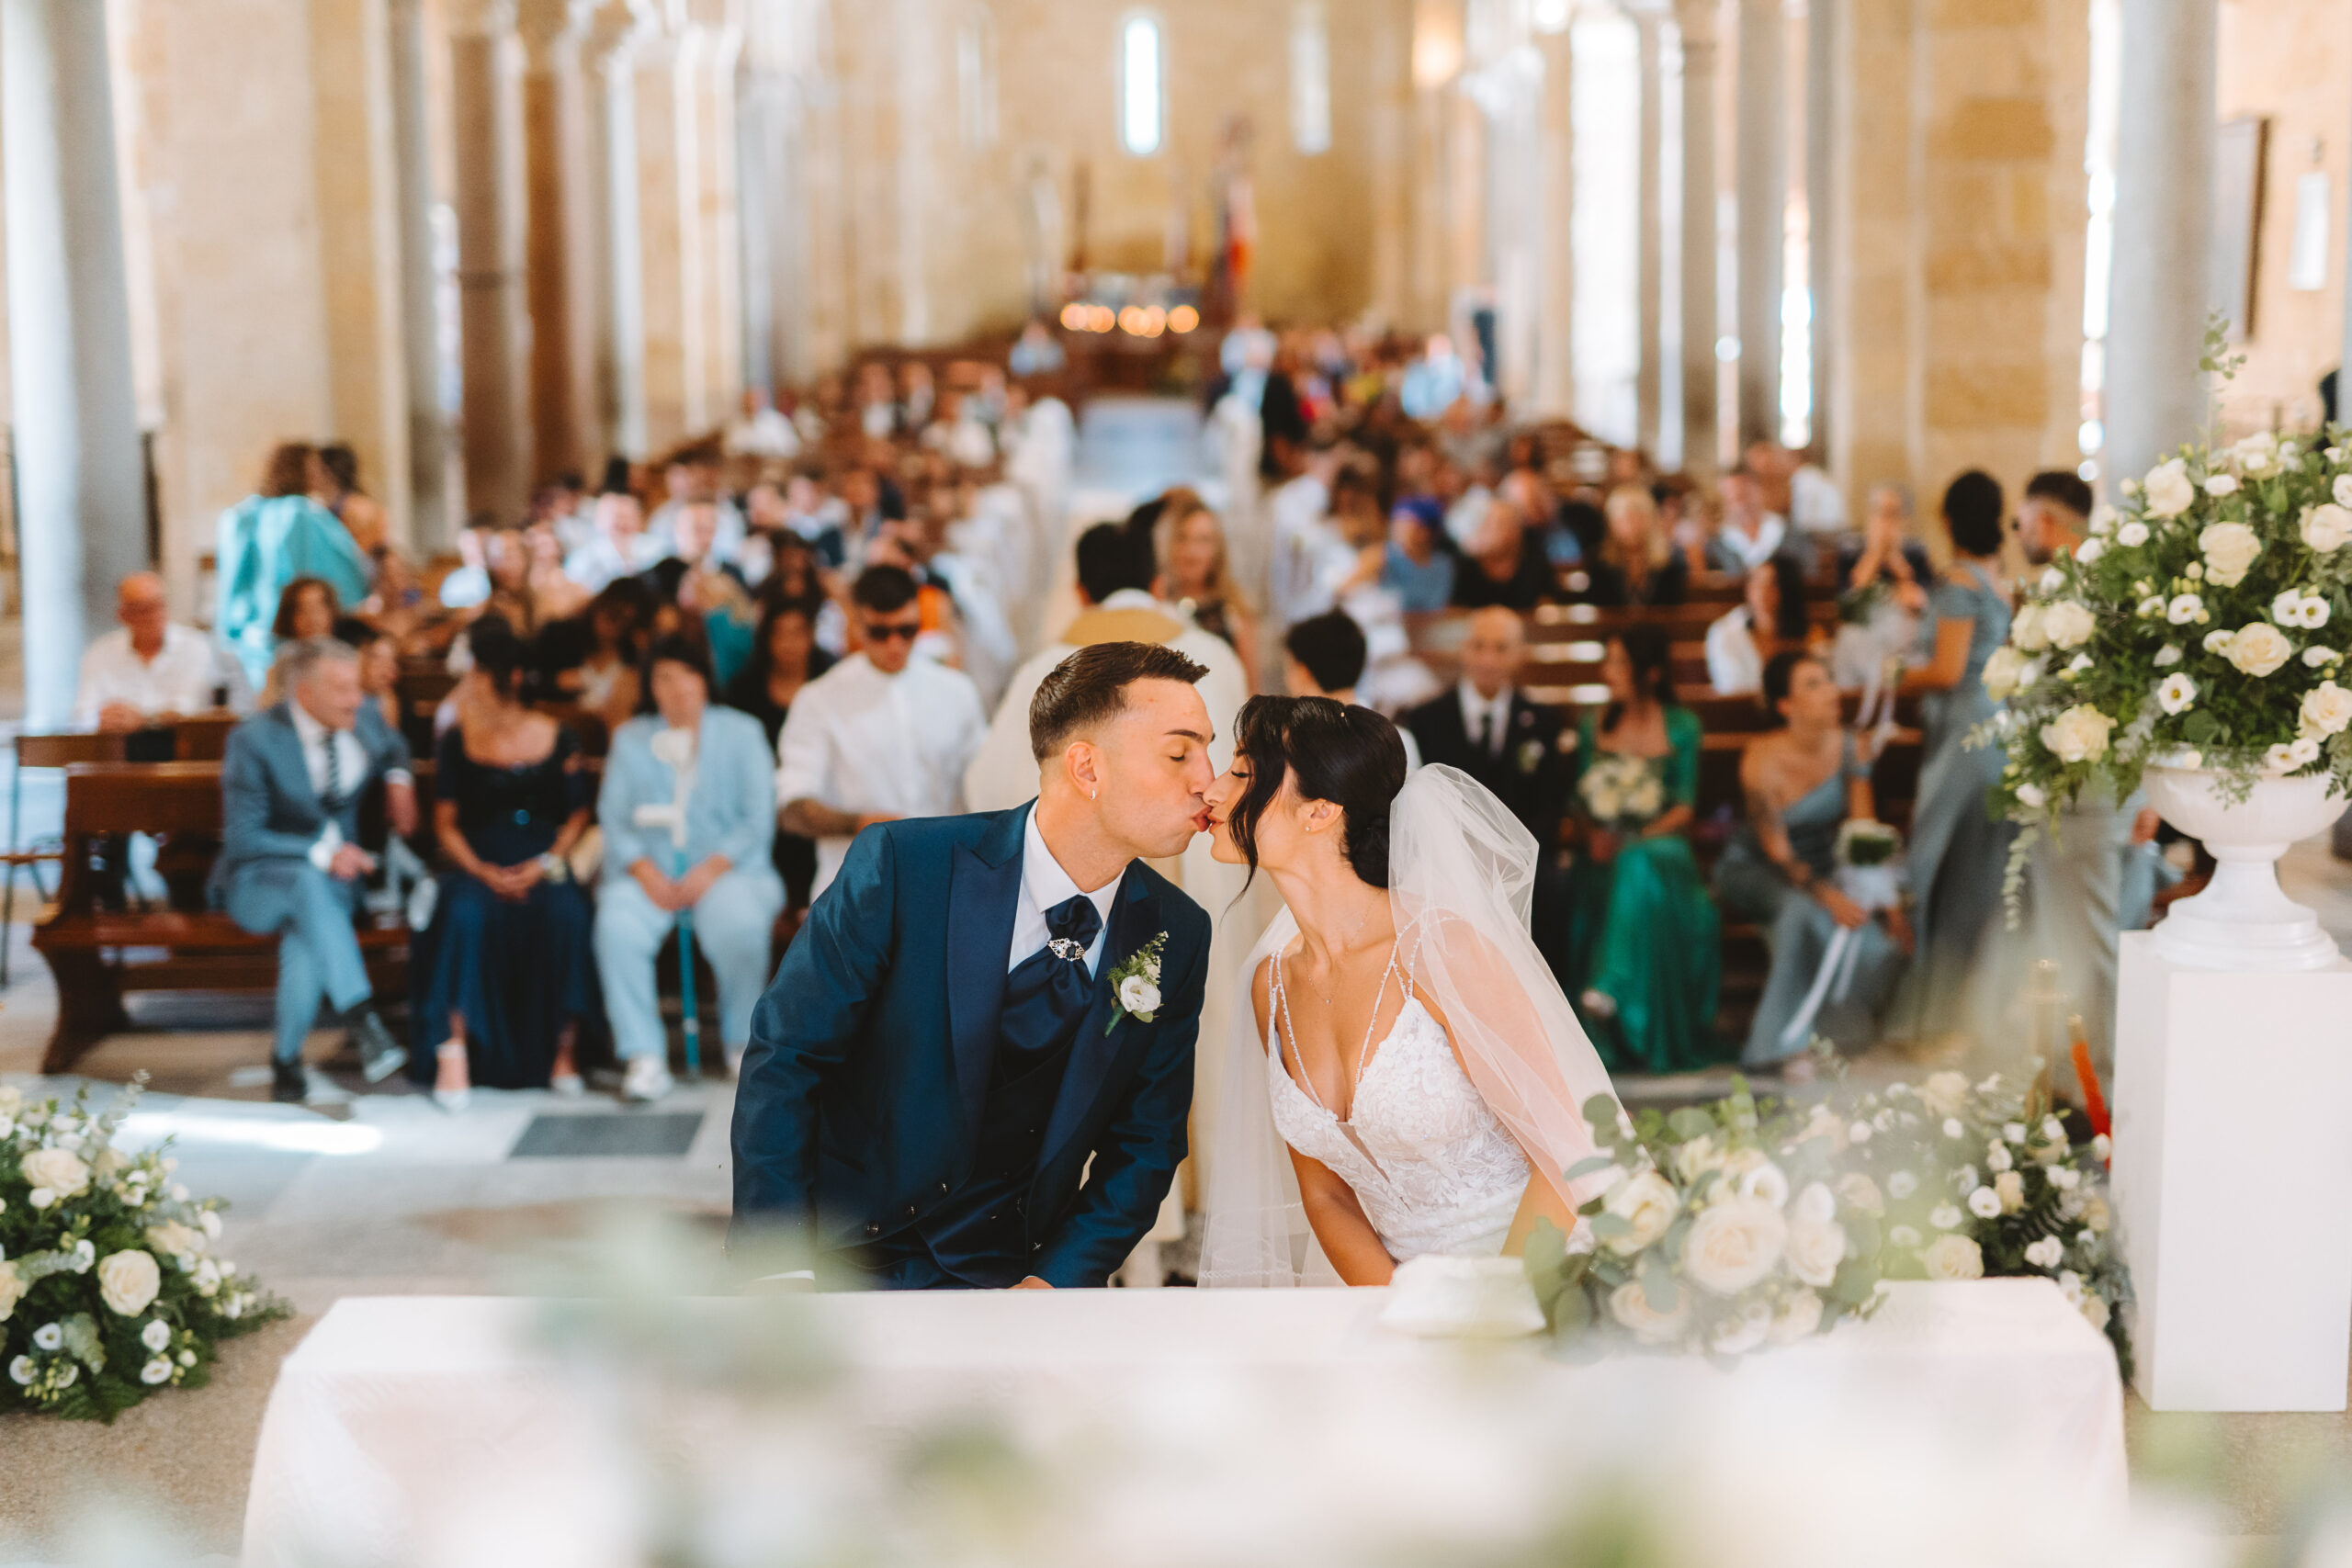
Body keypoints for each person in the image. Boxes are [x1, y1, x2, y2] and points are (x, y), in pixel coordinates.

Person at [729, 641, 1216, 1290]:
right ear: (1086, 767)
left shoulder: (1176, 932)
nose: (1206, 779)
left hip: (1016, 1277)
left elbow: (1146, 1142)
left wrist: (1053, 1281)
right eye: (1180, 753)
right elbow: (786, 1056)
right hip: (838, 1257)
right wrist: (778, 1268)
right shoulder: (905, 866)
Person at [1195, 698, 1622, 1286]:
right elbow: (1327, 1197)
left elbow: (1567, 1150)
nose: (1211, 791)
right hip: (1406, 1305)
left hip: (1545, 1274)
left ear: (1319, 811)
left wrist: (1488, 1320)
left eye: (1241, 774)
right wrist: (1401, 1317)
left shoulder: (1442, 949)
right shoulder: (1272, 985)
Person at [210, 637, 416, 1102]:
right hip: (259, 884)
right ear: (305, 693)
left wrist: (399, 781)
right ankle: (362, 1017)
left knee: (307, 934)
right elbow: (243, 839)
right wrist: (321, 854)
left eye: (356, 686)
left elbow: (396, 747)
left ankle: (287, 1059)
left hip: (334, 889)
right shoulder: (254, 739)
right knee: (306, 884)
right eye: (342, 689)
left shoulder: (362, 720)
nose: (356, 699)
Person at [2007, 468, 2159, 1080]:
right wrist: (2146, 790)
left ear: (2046, 521)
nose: (2018, 534)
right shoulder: (2106, 582)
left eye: (2020, 521)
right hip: (2101, 794)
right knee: (2081, 946)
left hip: (2084, 797)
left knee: (2093, 954)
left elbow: (2121, 691)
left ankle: (2106, 1088)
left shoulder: (2075, 594)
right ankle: (2076, 1080)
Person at [413, 616, 598, 1109]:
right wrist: (479, 870)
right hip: (478, 860)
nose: (469, 684)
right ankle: (454, 1051)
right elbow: (446, 822)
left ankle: (565, 1050)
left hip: (543, 858)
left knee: (567, 913)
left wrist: (546, 862)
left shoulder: (559, 737)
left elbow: (576, 814)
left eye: (477, 672)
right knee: (465, 915)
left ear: (510, 677)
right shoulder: (456, 740)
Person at [596, 634, 786, 1102]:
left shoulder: (742, 733)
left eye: (688, 675)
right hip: (650, 873)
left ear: (704, 681)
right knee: (616, 927)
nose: (678, 687)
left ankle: (743, 1041)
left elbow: (757, 818)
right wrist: (645, 873)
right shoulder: (631, 738)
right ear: (651, 687)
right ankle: (644, 1055)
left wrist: (709, 870)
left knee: (741, 926)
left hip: (727, 870)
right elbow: (615, 820)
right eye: (665, 678)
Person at [1717, 651, 1910, 1073]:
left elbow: (1863, 830)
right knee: (1800, 912)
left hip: (1822, 864)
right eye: (1813, 685)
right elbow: (1776, 852)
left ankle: (1829, 1039)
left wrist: (1888, 903)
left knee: (1878, 944)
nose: (1830, 692)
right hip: (1756, 867)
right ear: (1786, 706)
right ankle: (1781, 1045)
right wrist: (1829, 897)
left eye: (1829, 680)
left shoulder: (1851, 746)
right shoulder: (1761, 759)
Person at [1564, 627, 1724, 1073]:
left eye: (1619, 662)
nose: (1608, 672)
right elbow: (1579, 799)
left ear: (1649, 672)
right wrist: (1593, 832)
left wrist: (1636, 836)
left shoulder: (1682, 725)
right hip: (1605, 849)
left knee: (1636, 862)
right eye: (1608, 661)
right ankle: (1609, 1003)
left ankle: (1610, 982)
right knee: (1614, 871)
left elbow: (1685, 809)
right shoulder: (1593, 722)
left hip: (1664, 846)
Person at [775, 566, 987, 902]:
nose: (895, 644)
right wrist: (861, 824)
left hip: (943, 878)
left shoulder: (956, 692)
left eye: (907, 630)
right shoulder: (819, 699)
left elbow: (982, 785)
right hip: (853, 886)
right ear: (856, 624)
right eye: (880, 632)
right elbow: (794, 808)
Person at [1893, 470, 2016, 1043]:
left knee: (1936, 862)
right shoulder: (1998, 578)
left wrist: (1895, 672)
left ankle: (1935, 1018)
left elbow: (1945, 670)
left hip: (1966, 731)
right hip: (1995, 724)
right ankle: (1967, 1012)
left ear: (1948, 519)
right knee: (1979, 868)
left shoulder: (1958, 582)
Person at [1399, 608, 1568, 853]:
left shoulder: (1544, 722)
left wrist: (1516, 856)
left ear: (1520, 654)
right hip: (1445, 857)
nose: (1488, 660)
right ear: (1463, 649)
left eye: (1501, 648)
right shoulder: (1425, 719)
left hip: (1522, 859)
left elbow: (1549, 802)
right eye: (1478, 646)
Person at [217, 443, 372, 691]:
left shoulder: (244, 514)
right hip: (290, 632)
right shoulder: (304, 514)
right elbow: (349, 571)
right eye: (316, 468)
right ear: (304, 471)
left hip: (250, 640)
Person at [724, 595, 835, 909]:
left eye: (798, 632)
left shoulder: (831, 679)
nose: (789, 643)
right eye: (779, 633)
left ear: (811, 635)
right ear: (766, 638)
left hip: (819, 792)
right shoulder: (744, 689)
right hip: (760, 794)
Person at [77, 571, 244, 731]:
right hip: (115, 750)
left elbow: (190, 710)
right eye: (142, 609)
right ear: (122, 614)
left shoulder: (196, 647)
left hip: (182, 751)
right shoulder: (100, 653)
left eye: (157, 606)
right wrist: (103, 719)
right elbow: (82, 717)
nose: (152, 616)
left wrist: (143, 720)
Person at [1154, 498, 1262, 684]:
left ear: (1217, 549)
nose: (1192, 550)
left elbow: (1251, 685)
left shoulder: (1234, 609)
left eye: (1203, 540)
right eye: (1183, 538)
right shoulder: (1158, 602)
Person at [1704, 556, 1811, 695]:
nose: (1762, 592)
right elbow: (1732, 689)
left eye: (1772, 584)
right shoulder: (1724, 633)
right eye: (1755, 582)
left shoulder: (1808, 635)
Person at [1586, 485, 1690, 609]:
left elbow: (1675, 611)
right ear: (1611, 523)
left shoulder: (1670, 562)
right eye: (1624, 518)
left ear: (1650, 520)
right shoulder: (1599, 562)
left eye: (1637, 517)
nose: (1631, 525)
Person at [1449, 494, 1555, 612]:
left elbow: (1546, 605)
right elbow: (1456, 610)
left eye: (1506, 523)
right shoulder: (1466, 565)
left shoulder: (1534, 561)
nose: (1496, 530)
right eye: (1490, 524)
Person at [566, 479, 658, 592]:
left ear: (640, 520)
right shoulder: (583, 557)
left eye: (627, 517)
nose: (621, 523)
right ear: (598, 520)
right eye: (615, 517)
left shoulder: (656, 550)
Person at [1706, 465, 1790, 574]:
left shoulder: (1788, 532)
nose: (1739, 503)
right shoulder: (1715, 544)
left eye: (1743, 494)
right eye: (1731, 497)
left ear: (1759, 491)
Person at [1382, 499, 1456, 613]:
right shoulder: (1383, 556)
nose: (1397, 530)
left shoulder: (1443, 564)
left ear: (1425, 532)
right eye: (1396, 523)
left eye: (1404, 524)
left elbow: (1438, 605)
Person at [315, 443, 389, 556]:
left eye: (314, 468)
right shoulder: (321, 507)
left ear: (329, 473)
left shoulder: (363, 510)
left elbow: (362, 552)